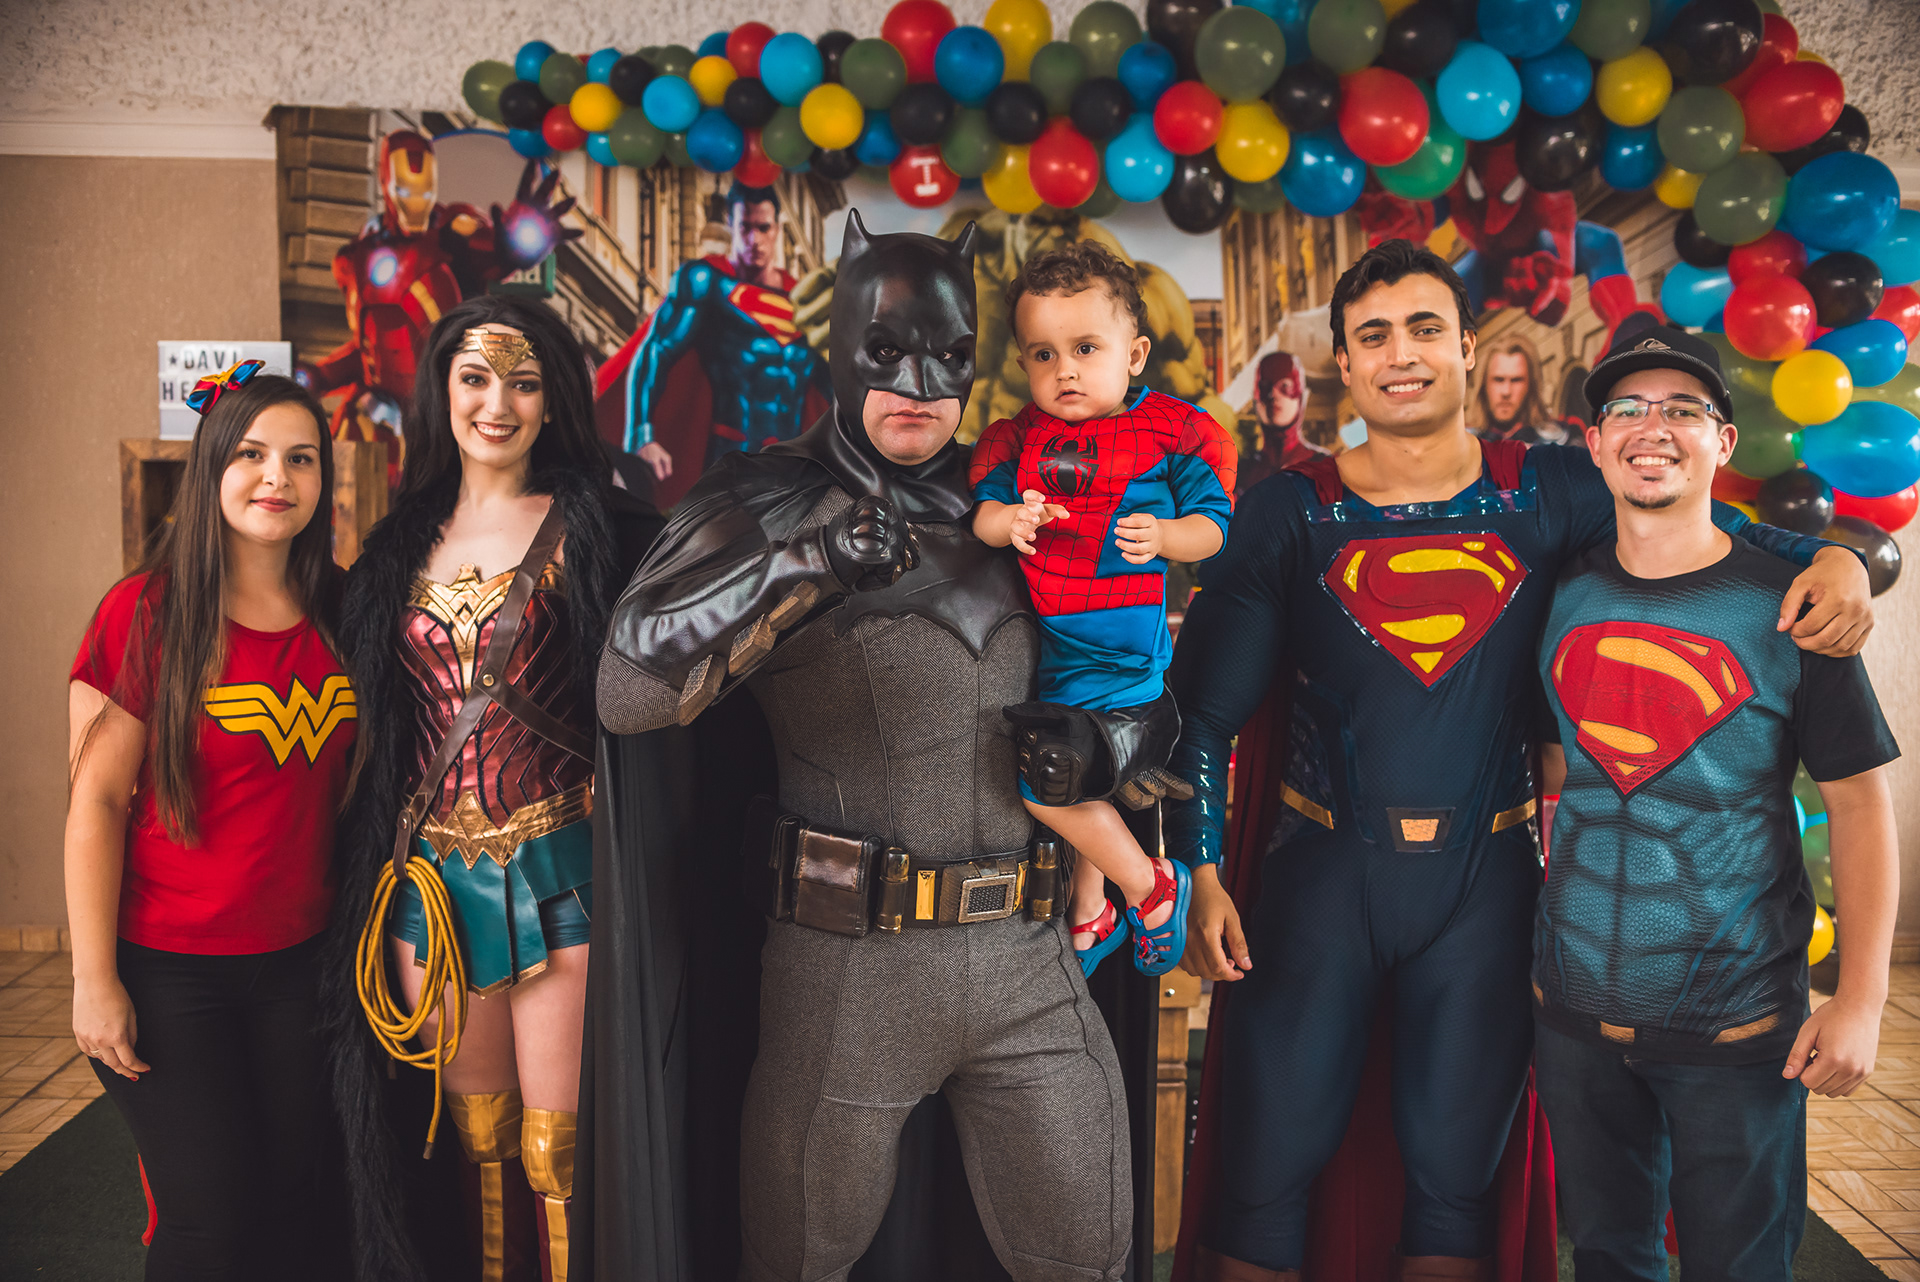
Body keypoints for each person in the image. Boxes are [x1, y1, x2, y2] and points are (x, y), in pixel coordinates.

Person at [1165, 240, 1874, 1282]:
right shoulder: (1288, 509)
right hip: (1319, 883)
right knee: (1264, 1175)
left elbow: (1714, 529)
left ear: (1466, 346)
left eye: (1424, 328)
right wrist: (1199, 869)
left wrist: (1837, 556)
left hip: (1487, 897)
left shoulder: (1550, 490)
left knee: (1455, 1184)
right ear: (1344, 365)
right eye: (1373, 336)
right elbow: (1202, 716)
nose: (1401, 354)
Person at [596, 210, 1142, 1282]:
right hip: (845, 973)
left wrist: (1111, 744)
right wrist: (805, 562)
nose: (918, 384)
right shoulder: (767, 498)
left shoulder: (1028, 497)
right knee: (795, 1263)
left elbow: (1141, 679)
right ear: (841, 347)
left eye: (947, 358)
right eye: (886, 351)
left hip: (1032, 966)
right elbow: (627, 690)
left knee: (1091, 1255)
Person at [1533, 323, 1899, 1281]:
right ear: (1596, 441)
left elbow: (1862, 806)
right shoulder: (1561, 592)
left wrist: (1861, 999)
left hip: (1736, 1031)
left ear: (1724, 441)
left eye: (1683, 409)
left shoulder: (1794, 605)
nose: (1652, 428)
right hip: (1573, 1019)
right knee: (1607, 1259)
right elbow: (1555, 771)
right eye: (1628, 408)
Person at [321, 294, 661, 1282]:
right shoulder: (393, 549)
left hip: (563, 874)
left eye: (524, 382)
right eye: (475, 378)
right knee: (475, 1136)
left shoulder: (604, 533)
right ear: (443, 389)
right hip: (429, 888)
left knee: (560, 1148)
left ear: (553, 400)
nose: (497, 404)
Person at [66, 363, 352, 1281]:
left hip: (303, 967)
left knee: (300, 1212)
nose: (278, 477)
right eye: (253, 455)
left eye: (301, 458)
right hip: (169, 972)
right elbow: (95, 804)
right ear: (212, 468)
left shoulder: (346, 609)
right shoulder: (147, 611)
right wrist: (93, 979)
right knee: (209, 1225)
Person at [970, 240, 1236, 976]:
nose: (1065, 370)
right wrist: (1009, 522)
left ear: (1135, 354)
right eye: (1044, 354)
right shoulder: (1017, 439)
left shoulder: (1172, 432)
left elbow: (1215, 527)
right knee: (1083, 777)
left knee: (1047, 788)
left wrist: (1168, 536)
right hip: (1047, 652)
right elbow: (982, 515)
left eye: (1086, 348)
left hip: (1121, 661)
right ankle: (1091, 910)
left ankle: (1151, 888)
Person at [599, 183, 830, 506]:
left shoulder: (803, 304)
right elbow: (657, 351)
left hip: (789, 470)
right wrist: (642, 434)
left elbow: (836, 389)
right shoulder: (707, 283)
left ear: (777, 229)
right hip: (727, 463)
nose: (754, 239)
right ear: (731, 225)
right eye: (745, 227)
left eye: (763, 228)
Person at [1471, 335, 1564, 446]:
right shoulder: (1464, 444)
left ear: (1531, 385)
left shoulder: (1557, 442)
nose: (1506, 392)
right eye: (1498, 380)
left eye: (1516, 380)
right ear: (1484, 384)